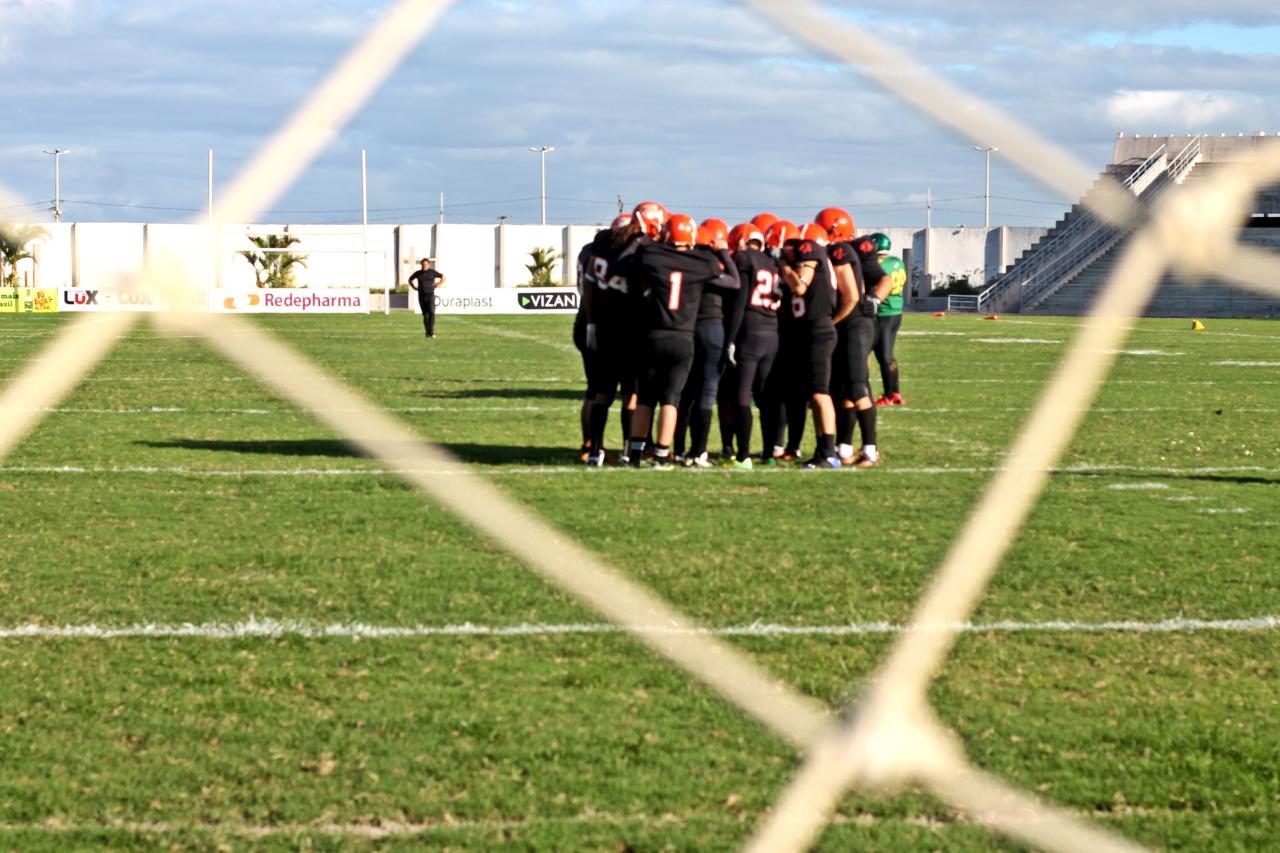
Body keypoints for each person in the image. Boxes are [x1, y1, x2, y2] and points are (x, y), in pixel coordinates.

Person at [616, 213, 738, 468]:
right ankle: (662, 453)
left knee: (646, 399)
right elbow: (733, 281)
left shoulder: (653, 255)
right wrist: (724, 252)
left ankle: (636, 454)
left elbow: (622, 265)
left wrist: (641, 240)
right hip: (683, 338)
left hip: (654, 335)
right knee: (671, 399)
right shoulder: (702, 261)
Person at [408, 257, 445, 338]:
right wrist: (414, 287)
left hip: (430, 295)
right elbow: (410, 280)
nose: (424, 266)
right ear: (421, 265)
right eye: (423, 264)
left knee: (431, 312)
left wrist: (438, 284)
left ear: (428, 264)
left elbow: (443, 277)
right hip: (421, 296)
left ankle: (431, 332)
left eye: (426, 264)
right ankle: (427, 332)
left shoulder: (432, 272)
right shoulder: (418, 273)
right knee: (425, 315)